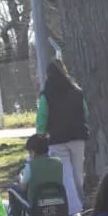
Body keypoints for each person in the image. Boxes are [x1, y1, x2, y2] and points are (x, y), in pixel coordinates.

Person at [36, 59, 89, 202]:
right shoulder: (76, 90)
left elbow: (42, 117)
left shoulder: (46, 94)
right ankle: (81, 199)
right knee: (78, 173)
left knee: (65, 173)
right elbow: (85, 111)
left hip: (56, 138)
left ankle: (70, 203)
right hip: (77, 136)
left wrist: (40, 134)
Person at [9, 133, 82, 216]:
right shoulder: (58, 163)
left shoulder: (30, 166)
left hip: (36, 203)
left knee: (12, 188)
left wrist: (20, 179)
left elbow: (23, 188)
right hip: (58, 201)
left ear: (32, 152)